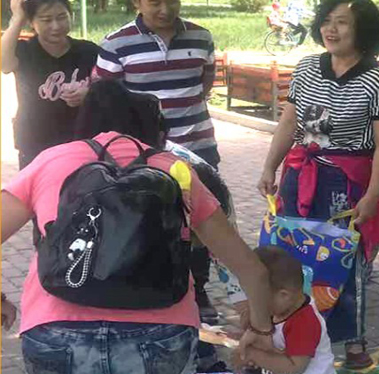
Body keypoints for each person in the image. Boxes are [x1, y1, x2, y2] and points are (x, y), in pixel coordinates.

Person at [0, 80, 274, 374]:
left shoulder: (51, 160)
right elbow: (250, 269)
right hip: (160, 334)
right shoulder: (174, 168)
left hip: (56, 330)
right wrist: (261, 330)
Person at [256, 0, 379, 369]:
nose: (331, 29)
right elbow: (290, 122)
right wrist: (270, 167)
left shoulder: (378, 78)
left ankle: (353, 340)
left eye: (342, 22)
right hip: (300, 174)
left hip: (346, 183)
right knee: (291, 256)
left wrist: (373, 194)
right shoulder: (307, 68)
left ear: (362, 30)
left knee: (344, 258)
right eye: (327, 20)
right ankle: (287, 332)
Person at [94, 0, 222, 322]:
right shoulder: (116, 44)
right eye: (155, 3)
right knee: (148, 222)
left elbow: (204, 84)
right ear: (136, 1)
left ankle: (198, 290)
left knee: (201, 222)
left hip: (198, 148)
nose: (166, 10)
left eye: (173, 0)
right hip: (143, 156)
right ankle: (152, 291)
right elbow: (106, 102)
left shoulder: (201, 37)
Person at [0, 0, 99, 169]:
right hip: (34, 145)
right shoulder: (24, 51)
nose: (56, 26)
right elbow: (4, 65)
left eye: (62, 17)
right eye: (46, 20)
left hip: (81, 144)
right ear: (31, 22)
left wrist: (89, 94)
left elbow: (106, 88)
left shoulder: (88, 51)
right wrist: (17, 19)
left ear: (71, 15)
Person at [233, 246, 335, 374]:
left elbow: (294, 368)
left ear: (283, 295)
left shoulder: (304, 322)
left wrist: (254, 355)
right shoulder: (278, 308)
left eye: (256, 299)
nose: (252, 303)